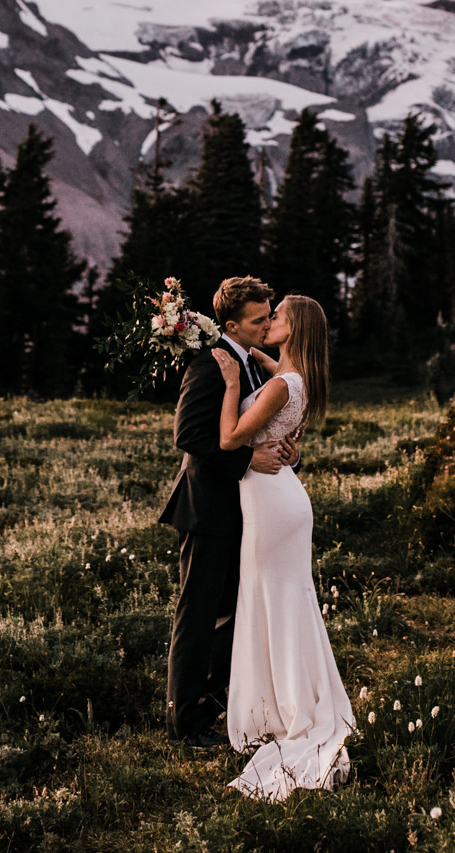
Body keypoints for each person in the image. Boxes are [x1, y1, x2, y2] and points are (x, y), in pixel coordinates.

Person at [207, 293, 355, 800]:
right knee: (287, 602)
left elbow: (228, 439)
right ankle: (291, 700)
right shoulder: (297, 379)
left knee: (270, 602)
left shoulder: (276, 388)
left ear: (292, 330)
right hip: (284, 500)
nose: (270, 321)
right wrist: (254, 360)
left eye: (278, 317)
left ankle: (285, 708)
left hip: (271, 502)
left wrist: (231, 382)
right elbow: (274, 368)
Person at [159, 277, 298, 747]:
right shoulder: (210, 365)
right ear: (232, 325)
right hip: (206, 509)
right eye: (259, 320)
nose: (266, 325)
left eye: (269, 315)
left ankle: (215, 697)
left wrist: (282, 451)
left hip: (244, 511)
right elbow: (188, 435)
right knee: (196, 617)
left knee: (240, 611)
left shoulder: (254, 366)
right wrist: (246, 460)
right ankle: (185, 726)